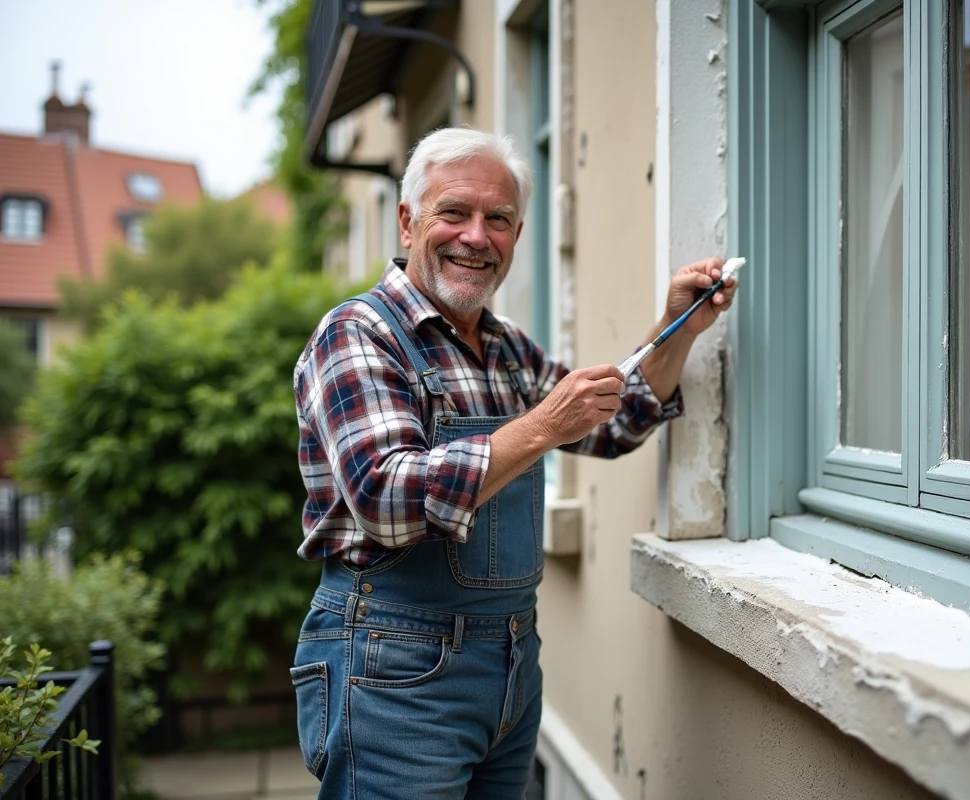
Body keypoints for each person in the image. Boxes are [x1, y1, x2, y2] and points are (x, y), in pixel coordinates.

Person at [290, 126, 737, 799]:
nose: (476, 235)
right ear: (409, 223)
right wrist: (540, 427)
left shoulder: (505, 348)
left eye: (497, 219)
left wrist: (678, 327)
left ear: (518, 235)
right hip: (392, 669)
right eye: (454, 213)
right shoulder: (357, 333)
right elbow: (386, 499)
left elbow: (623, 418)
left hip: (511, 664)